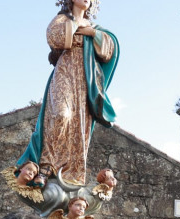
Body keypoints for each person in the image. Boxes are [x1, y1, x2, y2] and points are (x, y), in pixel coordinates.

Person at [16, 0, 119, 186]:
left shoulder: (95, 27)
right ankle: (47, 166)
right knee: (61, 114)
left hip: (86, 78)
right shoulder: (62, 19)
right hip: (66, 69)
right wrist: (75, 25)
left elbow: (109, 50)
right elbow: (54, 37)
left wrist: (93, 33)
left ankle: (73, 175)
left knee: (79, 125)